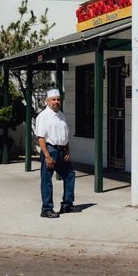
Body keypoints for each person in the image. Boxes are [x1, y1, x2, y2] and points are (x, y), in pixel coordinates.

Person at [36, 88, 79, 218]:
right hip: (50, 149)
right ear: (47, 101)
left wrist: (67, 150)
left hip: (62, 150)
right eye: (53, 99)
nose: (56, 102)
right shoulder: (43, 116)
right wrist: (47, 156)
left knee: (70, 175)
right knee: (47, 179)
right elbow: (41, 138)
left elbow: (64, 135)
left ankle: (67, 205)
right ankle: (46, 208)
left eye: (58, 99)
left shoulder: (61, 115)